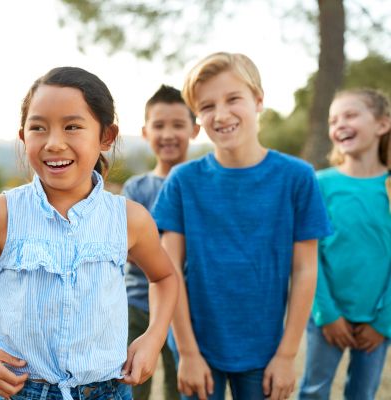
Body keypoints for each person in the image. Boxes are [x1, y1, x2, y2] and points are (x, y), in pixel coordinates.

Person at [0, 66, 179, 400]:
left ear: (106, 136)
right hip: (24, 391)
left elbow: (164, 277)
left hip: (108, 391)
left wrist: (154, 335)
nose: (54, 143)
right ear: (23, 136)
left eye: (72, 127)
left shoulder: (129, 219)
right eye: (38, 128)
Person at [152, 52, 332, 400]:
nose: (220, 114)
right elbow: (168, 268)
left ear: (258, 100)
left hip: (266, 349)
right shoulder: (182, 181)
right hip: (197, 346)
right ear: (197, 118)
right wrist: (187, 353)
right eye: (206, 106)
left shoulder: (297, 178)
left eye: (233, 99)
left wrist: (287, 355)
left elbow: (306, 269)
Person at [298, 88, 391, 400]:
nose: (339, 124)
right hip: (327, 316)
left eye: (350, 115)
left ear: (382, 124)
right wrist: (328, 314)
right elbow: (311, 256)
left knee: (362, 394)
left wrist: (384, 321)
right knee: (313, 391)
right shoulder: (320, 184)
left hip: (377, 321)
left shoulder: (389, 187)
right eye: (333, 119)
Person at [122, 84, 199, 400]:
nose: (168, 134)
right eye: (159, 125)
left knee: (181, 385)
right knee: (132, 383)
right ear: (144, 131)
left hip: (188, 307)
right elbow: (129, 248)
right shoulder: (136, 188)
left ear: (194, 130)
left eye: (178, 125)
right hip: (137, 303)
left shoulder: (199, 183)